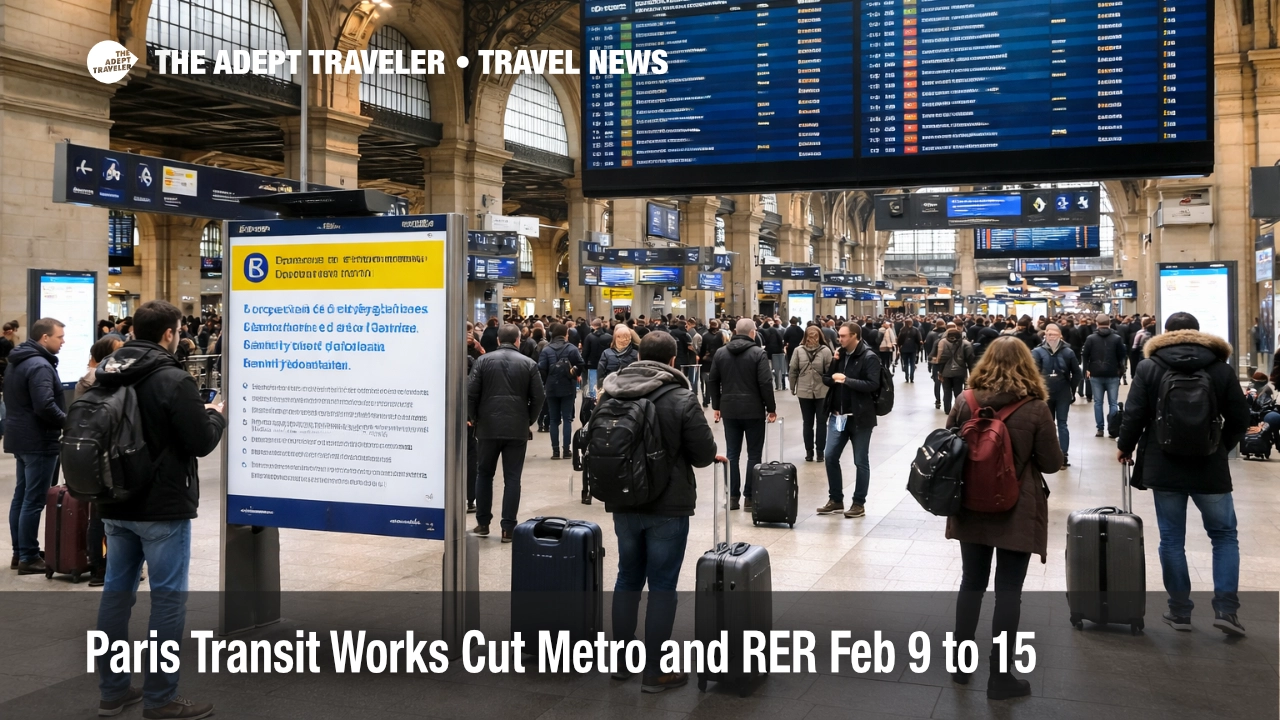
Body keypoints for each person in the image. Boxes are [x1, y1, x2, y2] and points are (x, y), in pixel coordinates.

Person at [93, 300, 227, 719]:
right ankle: (160, 698)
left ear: (134, 331)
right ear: (169, 333)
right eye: (179, 329)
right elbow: (200, 442)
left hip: (114, 500)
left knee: (116, 595)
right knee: (168, 602)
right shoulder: (173, 378)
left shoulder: (106, 371)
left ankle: (113, 691)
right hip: (162, 506)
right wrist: (216, 416)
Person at [1117, 312, 1251, 636]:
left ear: (1165, 333)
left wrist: (1125, 446)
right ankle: (1226, 610)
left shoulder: (1150, 367)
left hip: (1165, 464)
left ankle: (1179, 611)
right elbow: (1240, 417)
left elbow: (1135, 413)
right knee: (1224, 536)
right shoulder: (1220, 368)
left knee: (1172, 540)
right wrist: (1220, 446)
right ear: (1197, 332)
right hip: (1210, 466)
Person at [600, 331, 719, 693]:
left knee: (627, 578)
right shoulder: (680, 396)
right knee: (663, 585)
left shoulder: (612, 390)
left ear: (638, 356)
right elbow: (703, 455)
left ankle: (621, 662)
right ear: (673, 360)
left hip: (623, 498)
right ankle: (655, 671)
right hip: (668, 503)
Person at [945, 337, 1063, 699]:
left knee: (971, 582)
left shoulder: (965, 400)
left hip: (970, 504)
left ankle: (961, 666)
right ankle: (1000, 677)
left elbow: (949, 447)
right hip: (1016, 507)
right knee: (1009, 590)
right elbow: (1052, 463)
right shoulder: (1036, 408)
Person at [468, 324, 544, 542]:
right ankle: (508, 528)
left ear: (498, 340)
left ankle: (483, 523)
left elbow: (471, 393)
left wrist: (475, 418)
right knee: (512, 478)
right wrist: (528, 419)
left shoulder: (483, 361)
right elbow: (539, 396)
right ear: (518, 340)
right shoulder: (529, 364)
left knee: (484, 474)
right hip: (516, 428)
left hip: (487, 428)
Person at [3, 317, 67, 575]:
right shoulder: (40, 365)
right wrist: (68, 423)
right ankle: (29, 556)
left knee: (22, 497)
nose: (63, 342)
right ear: (45, 337)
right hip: (38, 439)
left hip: (20, 437)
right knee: (34, 499)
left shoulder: (18, 361)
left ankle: (20, 552)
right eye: (60, 337)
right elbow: (45, 405)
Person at [706, 318, 777, 511]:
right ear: (753, 332)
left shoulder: (721, 353)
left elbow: (713, 380)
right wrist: (771, 408)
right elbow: (765, 382)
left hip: (729, 409)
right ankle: (750, 498)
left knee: (732, 454)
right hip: (754, 410)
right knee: (754, 454)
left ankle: (732, 497)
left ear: (735, 332)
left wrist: (716, 405)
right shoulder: (758, 353)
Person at [816, 322, 881, 519]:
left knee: (860, 461)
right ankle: (836, 499)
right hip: (837, 416)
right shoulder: (840, 355)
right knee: (830, 456)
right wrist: (834, 364)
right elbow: (827, 379)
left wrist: (846, 380)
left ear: (854, 336)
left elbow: (872, 384)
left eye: (843, 336)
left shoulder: (869, 357)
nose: (840, 339)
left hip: (860, 418)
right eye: (839, 335)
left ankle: (858, 503)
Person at [1032, 324, 1081, 467]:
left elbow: (1077, 373)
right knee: (1047, 424)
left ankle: (1063, 455)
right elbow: (1033, 373)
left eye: (1054, 334)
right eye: (1049, 334)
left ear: (1060, 335)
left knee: (1061, 423)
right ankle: (1048, 454)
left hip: (1062, 392)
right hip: (1046, 393)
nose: (1051, 337)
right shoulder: (1037, 352)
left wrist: (1071, 389)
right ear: (1045, 335)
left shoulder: (1068, 352)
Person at [538, 323, 585, 460]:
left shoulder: (546, 349)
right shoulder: (571, 349)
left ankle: (555, 451)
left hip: (551, 387)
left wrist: (547, 380)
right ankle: (566, 450)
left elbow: (541, 368)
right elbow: (581, 364)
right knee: (567, 419)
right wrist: (574, 374)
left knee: (553, 419)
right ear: (566, 334)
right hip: (568, 387)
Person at [789, 325, 833, 463]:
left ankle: (810, 452)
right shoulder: (825, 351)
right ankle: (819, 452)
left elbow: (793, 370)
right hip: (822, 391)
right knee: (821, 422)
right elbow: (829, 371)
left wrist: (792, 387)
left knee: (808, 423)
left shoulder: (798, 350)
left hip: (804, 391)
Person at [1081, 313, 1127, 438]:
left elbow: (1085, 355)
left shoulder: (1091, 338)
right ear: (1109, 323)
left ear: (1097, 324)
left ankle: (1100, 429)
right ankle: (1112, 428)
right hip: (1112, 373)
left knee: (1098, 402)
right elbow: (1122, 355)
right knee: (1113, 403)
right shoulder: (1116, 338)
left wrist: (1087, 369)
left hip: (1096, 373)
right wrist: (1120, 370)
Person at [933, 325, 976, 414]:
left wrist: (940, 372)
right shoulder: (965, 344)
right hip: (959, 371)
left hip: (946, 371)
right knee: (958, 391)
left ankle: (947, 409)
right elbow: (970, 359)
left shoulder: (943, 342)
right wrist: (971, 373)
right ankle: (958, 409)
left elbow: (941, 359)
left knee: (946, 391)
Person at [582, 319, 610, 395]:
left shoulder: (589, 337)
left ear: (593, 326)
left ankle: (593, 398)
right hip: (606, 364)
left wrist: (584, 364)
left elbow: (585, 352)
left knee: (593, 385)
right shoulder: (608, 337)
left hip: (592, 364)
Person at [924, 320, 947, 409]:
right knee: (946, 382)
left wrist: (929, 362)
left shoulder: (931, 334)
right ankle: (946, 399)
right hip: (946, 362)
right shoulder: (947, 335)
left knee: (937, 382)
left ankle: (938, 399)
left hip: (935, 361)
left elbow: (928, 348)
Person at [761, 319, 787, 390]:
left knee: (771, 368)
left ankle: (774, 384)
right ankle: (781, 385)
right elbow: (780, 340)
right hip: (777, 352)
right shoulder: (775, 331)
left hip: (768, 352)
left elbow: (764, 342)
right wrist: (781, 348)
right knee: (779, 369)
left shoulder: (762, 331)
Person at [897, 318, 922, 383]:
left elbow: (899, 340)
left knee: (905, 363)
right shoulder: (915, 330)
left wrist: (899, 347)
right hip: (913, 348)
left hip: (904, 349)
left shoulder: (902, 330)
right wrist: (918, 348)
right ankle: (912, 377)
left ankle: (906, 377)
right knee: (912, 363)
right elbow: (919, 340)